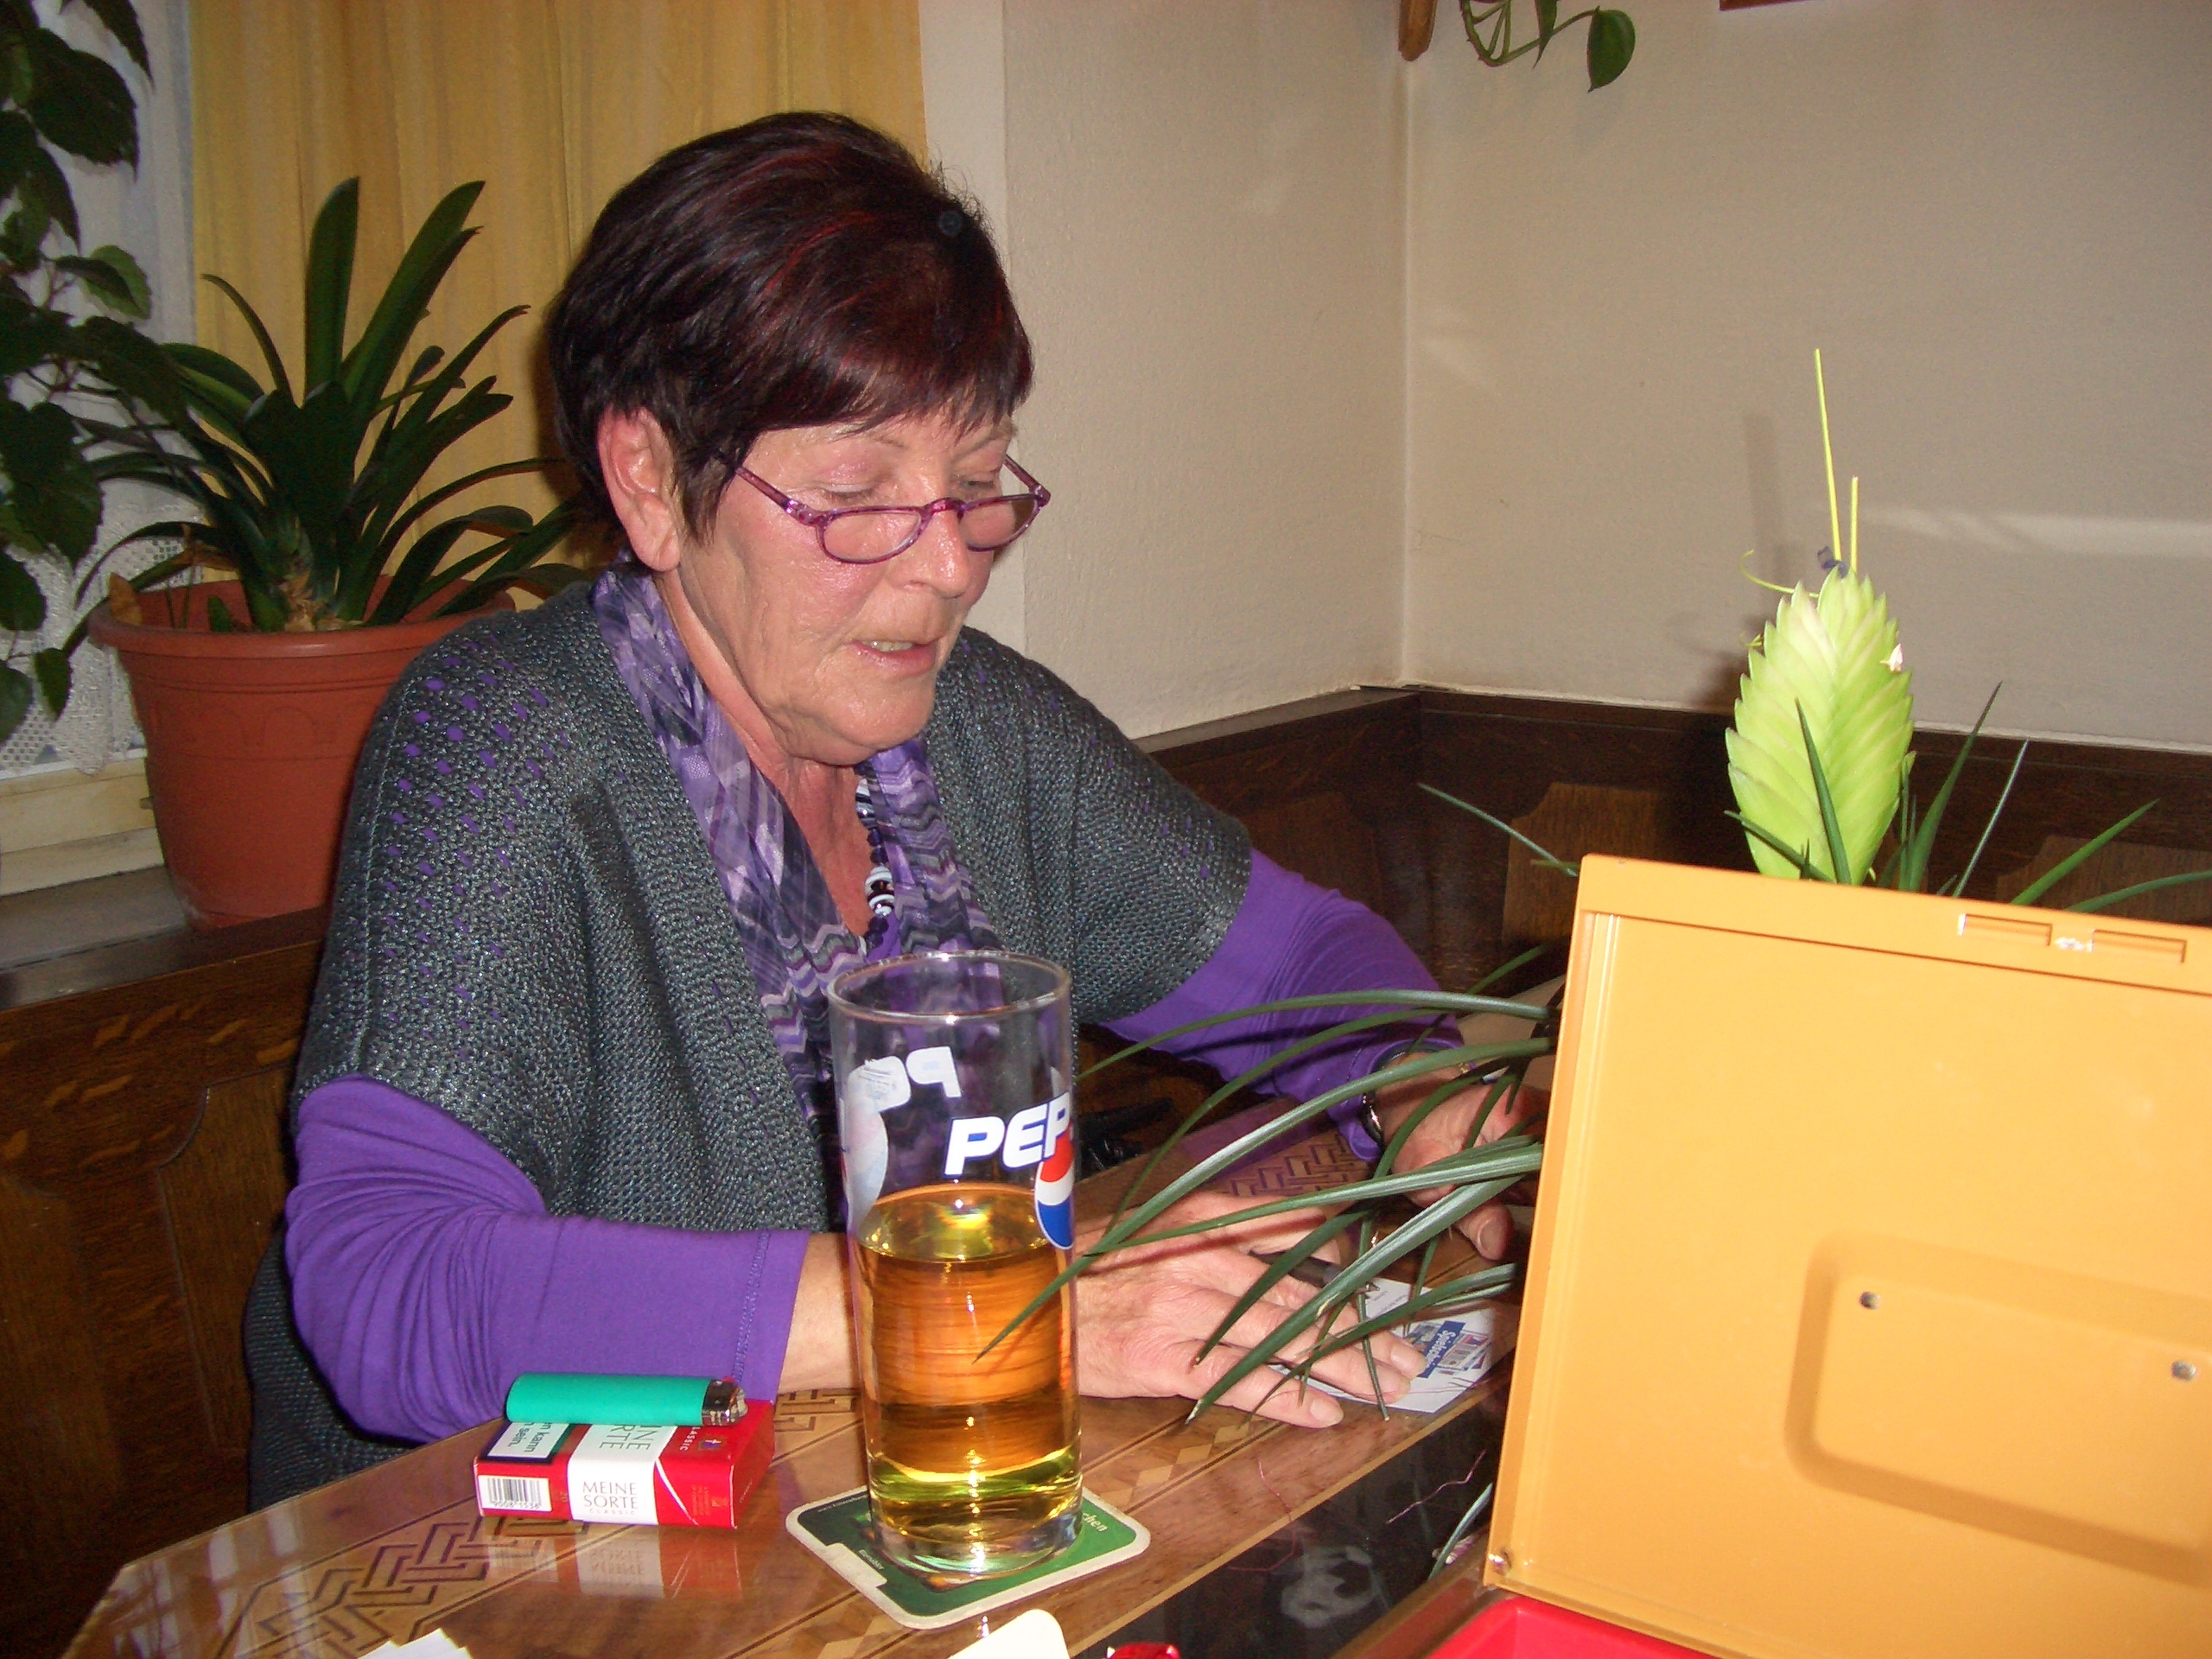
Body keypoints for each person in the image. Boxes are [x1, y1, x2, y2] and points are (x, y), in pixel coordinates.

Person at [245, 112, 1525, 1506]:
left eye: (973, 488)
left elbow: (1301, 966)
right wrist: (1000, 1315)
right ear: (650, 481)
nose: (949, 570)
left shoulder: (983, 730)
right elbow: (390, 1289)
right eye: (857, 496)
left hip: (861, 1518)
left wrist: (1423, 1092)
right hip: (484, 1559)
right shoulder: (502, 743)